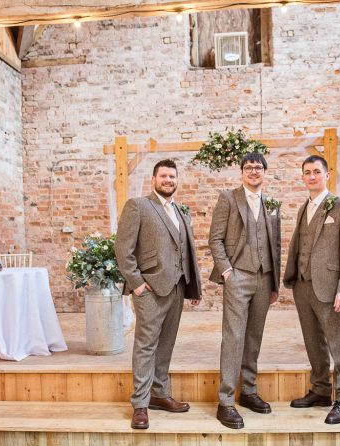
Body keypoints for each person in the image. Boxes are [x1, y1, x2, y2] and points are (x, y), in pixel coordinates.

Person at [115, 159, 202, 430]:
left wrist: (192, 285)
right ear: (153, 180)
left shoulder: (180, 210)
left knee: (166, 345)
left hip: (176, 287)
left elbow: (186, 250)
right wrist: (137, 283)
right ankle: (140, 404)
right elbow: (123, 248)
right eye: (163, 176)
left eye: (172, 176)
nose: (168, 180)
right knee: (146, 345)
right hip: (150, 289)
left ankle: (159, 394)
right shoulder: (139, 206)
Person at [208, 152, 282, 429]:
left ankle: (248, 391)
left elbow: (275, 245)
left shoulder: (272, 203)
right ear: (241, 172)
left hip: (264, 279)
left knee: (254, 336)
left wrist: (274, 283)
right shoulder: (228, 198)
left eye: (258, 167)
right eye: (249, 167)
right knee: (234, 337)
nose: (254, 171)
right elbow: (215, 238)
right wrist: (227, 271)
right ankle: (226, 400)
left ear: (265, 172)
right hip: (238, 276)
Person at [283, 155, 340, 424]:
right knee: (313, 342)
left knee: (338, 343)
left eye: (316, 172)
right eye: (307, 172)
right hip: (303, 286)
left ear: (327, 174)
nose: (312, 176)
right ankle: (321, 390)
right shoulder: (305, 207)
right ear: (303, 177)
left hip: (330, 288)